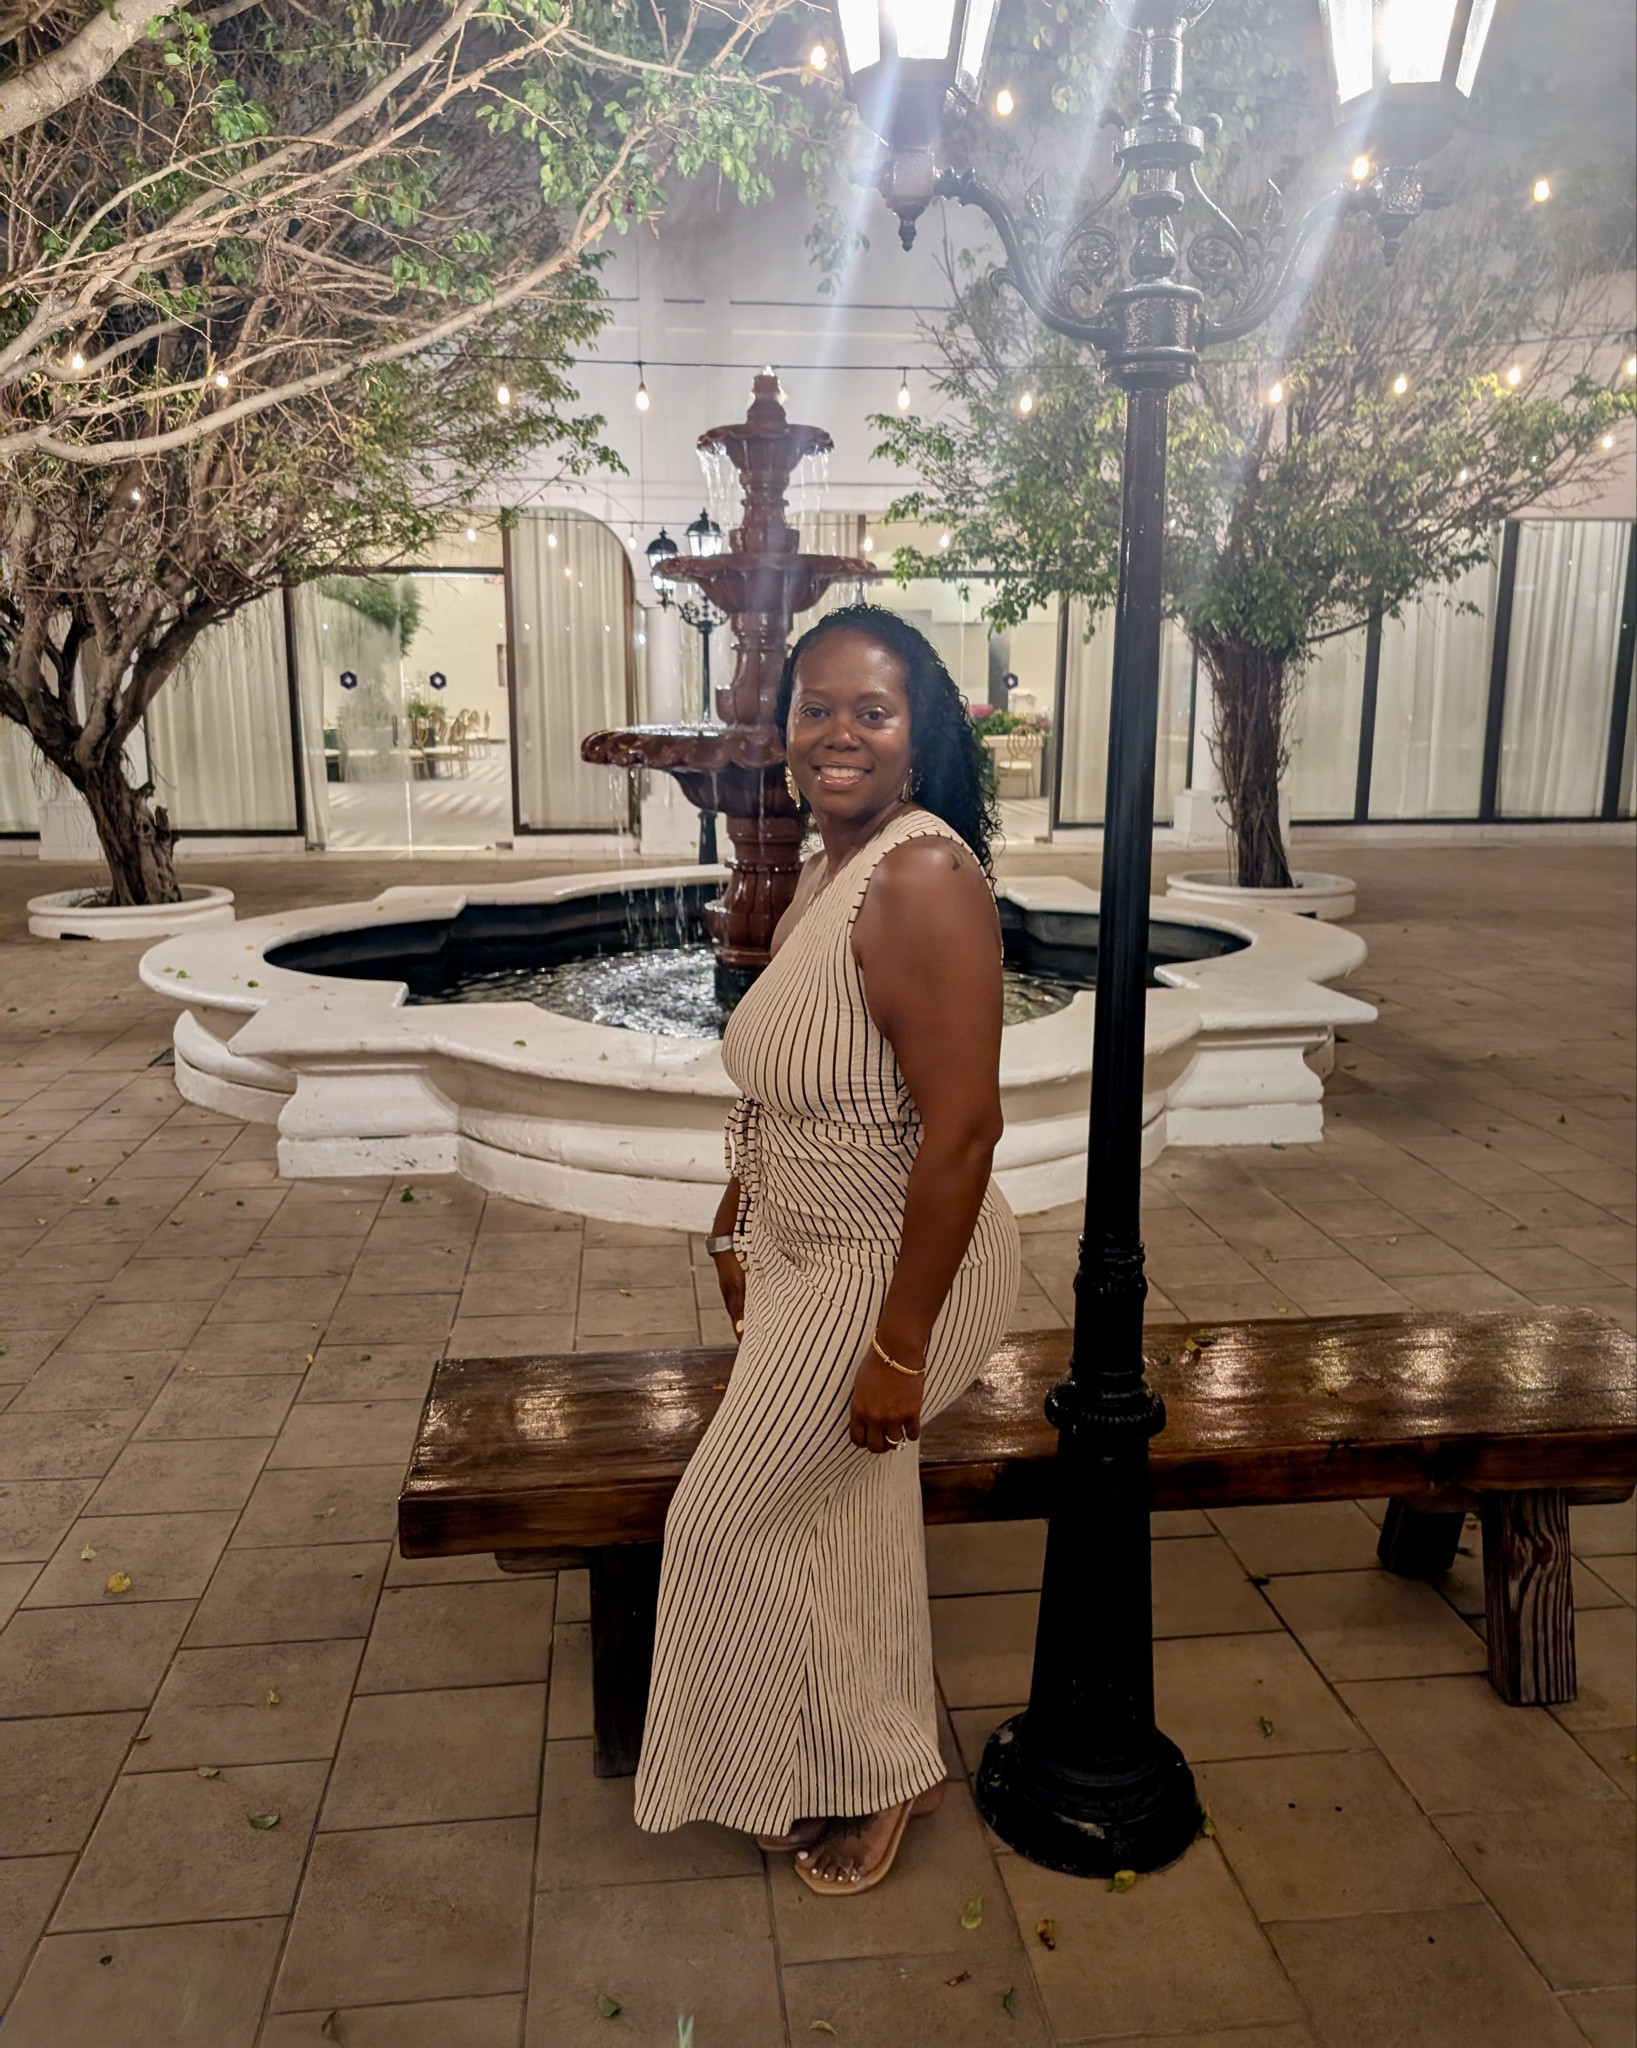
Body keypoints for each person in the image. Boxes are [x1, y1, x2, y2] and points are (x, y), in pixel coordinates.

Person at [633, 604, 1021, 1896]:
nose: (837, 734)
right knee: (841, 1510)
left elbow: (963, 1132)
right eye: (815, 708)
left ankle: (828, 1758)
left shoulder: (921, 879)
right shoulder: (820, 866)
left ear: (920, 735)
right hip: (805, 1252)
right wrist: (736, 1217)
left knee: (722, 1519)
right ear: (785, 726)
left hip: (897, 1272)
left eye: (872, 710)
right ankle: (868, 1762)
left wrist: (898, 1350)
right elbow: (793, 1083)